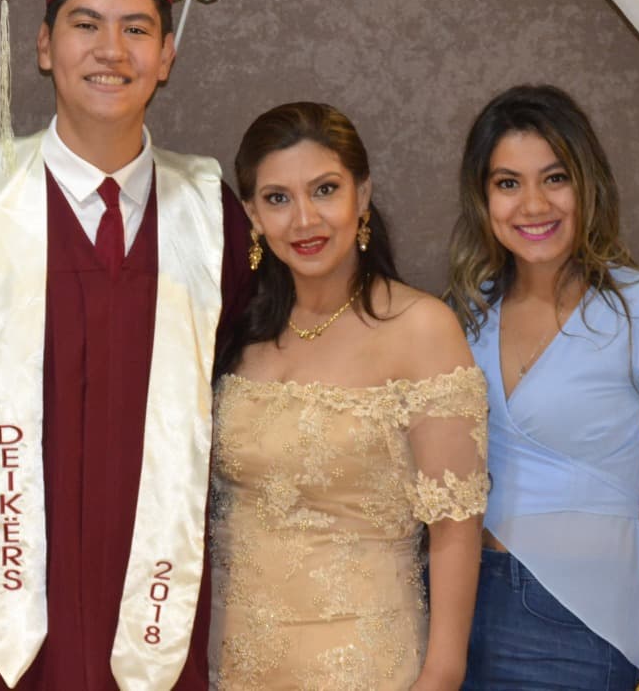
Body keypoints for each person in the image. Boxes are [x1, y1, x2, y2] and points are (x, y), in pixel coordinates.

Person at [0, 0, 251, 690]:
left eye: (136, 29)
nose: (111, 50)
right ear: (45, 46)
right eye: (85, 24)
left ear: (167, 55)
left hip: (149, 617)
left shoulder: (215, 220)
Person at [446, 84, 639, 691]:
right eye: (508, 183)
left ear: (588, 184)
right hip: (455, 617)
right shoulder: (463, 317)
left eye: (555, 178)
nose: (533, 204)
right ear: (483, 198)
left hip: (579, 628)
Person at [207, 101, 487, 690]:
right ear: (252, 215)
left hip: (365, 665)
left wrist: (441, 675)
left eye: (325, 190)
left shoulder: (421, 329)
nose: (304, 219)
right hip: (230, 663)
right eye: (278, 198)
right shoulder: (235, 330)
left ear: (363, 194)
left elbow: (456, 529)